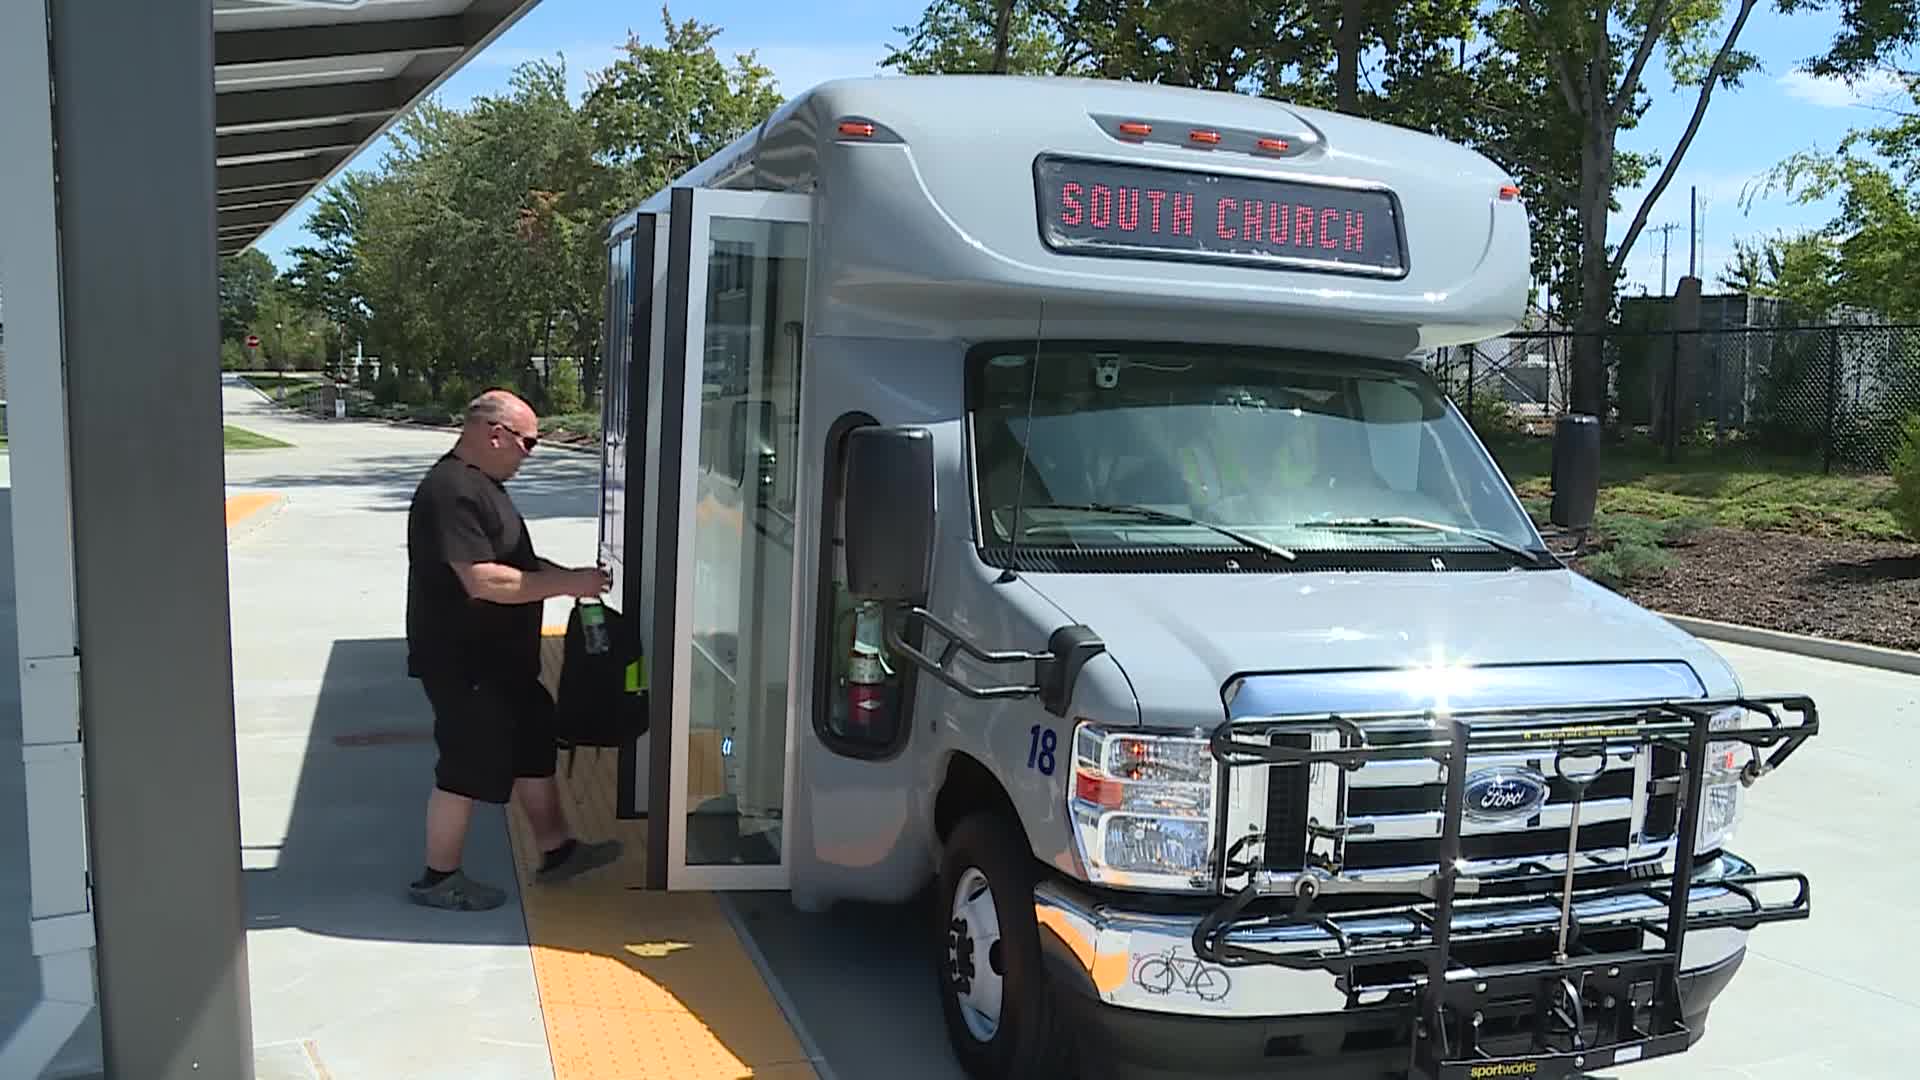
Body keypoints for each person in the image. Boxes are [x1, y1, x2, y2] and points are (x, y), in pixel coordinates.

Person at [403, 388, 621, 911]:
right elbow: (483, 581)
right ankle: (439, 878)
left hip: (504, 664)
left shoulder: (482, 487)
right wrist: (567, 582)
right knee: (466, 764)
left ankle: (558, 850)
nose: (531, 453)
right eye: (529, 443)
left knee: (532, 741)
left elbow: (514, 561)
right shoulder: (450, 490)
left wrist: (569, 578)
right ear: (494, 433)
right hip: (467, 663)